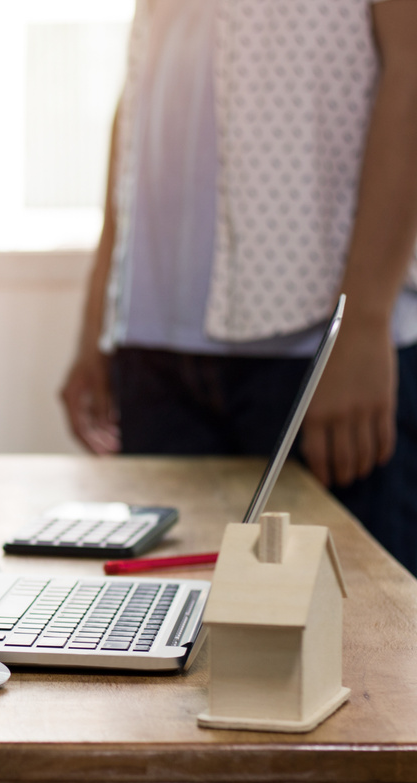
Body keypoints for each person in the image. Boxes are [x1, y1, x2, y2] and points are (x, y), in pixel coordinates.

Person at [61, 0, 417, 572]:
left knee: (349, 637)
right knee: (164, 631)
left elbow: (412, 67)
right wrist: (99, 319)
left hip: (312, 348)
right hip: (155, 350)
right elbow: (139, 91)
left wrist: (363, 321)